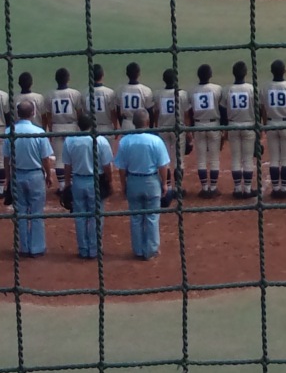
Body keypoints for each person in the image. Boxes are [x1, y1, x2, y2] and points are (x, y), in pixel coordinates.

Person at [114, 108, 170, 261]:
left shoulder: (125, 141)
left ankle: (138, 250)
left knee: (136, 217)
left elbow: (121, 168)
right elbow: (163, 166)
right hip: (151, 181)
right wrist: (164, 183)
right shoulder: (156, 140)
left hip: (133, 181)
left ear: (134, 123)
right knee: (152, 217)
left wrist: (123, 185)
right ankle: (151, 250)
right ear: (147, 122)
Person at [2, 100, 54, 257]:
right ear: (33, 113)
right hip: (35, 175)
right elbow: (45, 158)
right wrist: (48, 175)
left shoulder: (9, 131)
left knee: (21, 213)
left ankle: (23, 248)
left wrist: (8, 178)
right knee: (36, 213)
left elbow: (6, 158)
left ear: (18, 114)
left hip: (17, 175)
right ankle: (36, 248)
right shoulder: (39, 132)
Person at [62, 113, 114, 259]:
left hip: (78, 181)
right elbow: (107, 166)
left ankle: (83, 249)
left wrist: (67, 183)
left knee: (80, 216)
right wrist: (110, 182)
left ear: (78, 126)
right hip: (95, 181)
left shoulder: (70, 140)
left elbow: (67, 166)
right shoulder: (100, 140)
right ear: (92, 125)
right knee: (96, 216)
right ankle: (94, 249)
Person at [260, 59, 286, 198]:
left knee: (274, 158)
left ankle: (276, 188)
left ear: (271, 71)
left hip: (271, 123)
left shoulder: (265, 88)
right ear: (285, 71)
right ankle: (284, 188)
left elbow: (263, 109)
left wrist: (265, 123)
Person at [220, 61, 257, 199]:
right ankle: (247, 189)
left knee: (235, 157)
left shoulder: (227, 89)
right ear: (245, 73)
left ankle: (237, 189)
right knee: (247, 158)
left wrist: (225, 127)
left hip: (233, 125)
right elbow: (258, 108)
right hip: (249, 125)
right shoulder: (251, 88)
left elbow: (223, 110)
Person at [188, 64, 225, 198]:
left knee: (201, 159)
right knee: (214, 158)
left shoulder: (192, 91)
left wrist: (191, 128)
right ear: (210, 75)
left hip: (198, 125)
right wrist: (223, 127)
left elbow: (190, 112)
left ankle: (204, 188)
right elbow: (222, 109)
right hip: (214, 125)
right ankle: (213, 187)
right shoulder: (217, 89)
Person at [44, 67, 83, 193]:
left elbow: (48, 115)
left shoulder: (49, 95)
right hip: (72, 127)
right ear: (68, 79)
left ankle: (62, 187)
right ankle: (73, 185)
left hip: (57, 127)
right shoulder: (75, 94)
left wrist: (51, 129)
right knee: (75, 158)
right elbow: (79, 113)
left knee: (60, 158)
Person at [153, 68, 190, 193]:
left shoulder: (158, 94)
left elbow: (156, 113)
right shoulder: (182, 94)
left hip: (163, 128)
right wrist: (188, 132)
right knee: (179, 160)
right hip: (178, 129)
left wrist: (155, 126)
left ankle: (168, 187)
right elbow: (186, 115)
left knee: (165, 159)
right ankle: (178, 187)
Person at [81, 64, 118, 151]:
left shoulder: (84, 93)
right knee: (107, 156)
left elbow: (84, 113)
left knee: (92, 154)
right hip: (107, 128)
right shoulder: (110, 92)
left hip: (91, 129)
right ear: (102, 75)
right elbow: (113, 112)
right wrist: (116, 127)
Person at [116, 62, 154, 131]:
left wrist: (122, 124)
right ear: (139, 74)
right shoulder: (146, 90)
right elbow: (150, 112)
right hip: (142, 123)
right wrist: (151, 128)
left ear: (127, 74)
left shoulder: (120, 90)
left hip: (126, 122)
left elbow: (118, 111)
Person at [0, 86, 11, 196]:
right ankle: (0, 189)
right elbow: (8, 117)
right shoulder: (3, 95)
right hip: (1, 129)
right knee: (1, 161)